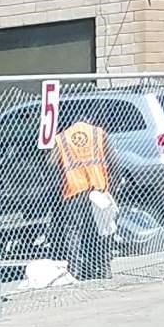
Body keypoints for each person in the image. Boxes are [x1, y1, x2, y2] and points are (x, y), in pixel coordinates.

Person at [49, 106, 114, 281]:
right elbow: (113, 160)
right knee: (102, 229)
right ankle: (104, 268)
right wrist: (113, 186)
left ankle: (75, 271)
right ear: (89, 119)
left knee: (73, 231)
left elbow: (52, 165)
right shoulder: (98, 134)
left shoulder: (61, 138)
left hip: (73, 189)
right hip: (98, 189)